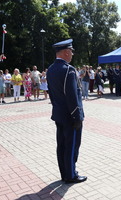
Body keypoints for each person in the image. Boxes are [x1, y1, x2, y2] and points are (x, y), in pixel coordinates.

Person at [47, 39, 87, 184]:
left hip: (58, 114)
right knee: (72, 145)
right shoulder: (68, 70)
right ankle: (71, 175)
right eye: (71, 51)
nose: (72, 54)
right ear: (65, 52)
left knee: (62, 145)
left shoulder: (50, 69)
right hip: (71, 116)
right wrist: (77, 116)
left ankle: (64, 173)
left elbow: (51, 94)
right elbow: (72, 96)